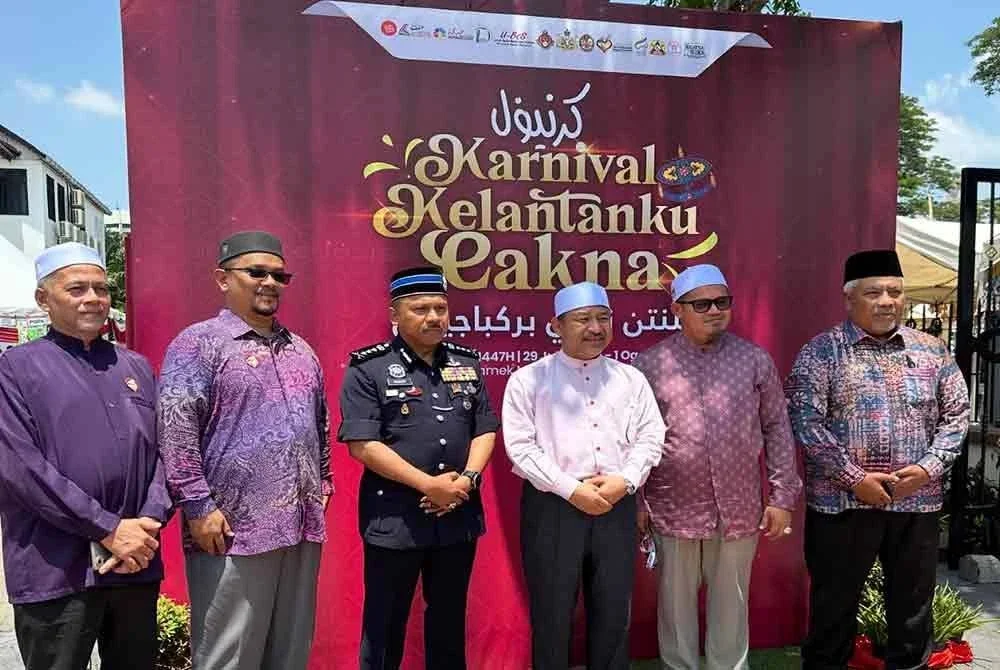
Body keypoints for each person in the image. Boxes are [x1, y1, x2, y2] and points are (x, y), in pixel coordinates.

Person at [786, 249, 970, 670]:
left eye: (895, 292)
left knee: (913, 612)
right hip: (842, 506)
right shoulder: (821, 353)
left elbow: (958, 415)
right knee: (833, 611)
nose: (887, 301)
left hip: (917, 503)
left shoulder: (933, 351)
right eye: (874, 293)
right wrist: (855, 479)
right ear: (849, 298)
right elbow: (805, 422)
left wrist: (926, 469)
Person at [157, 231, 331, 669]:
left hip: (300, 527)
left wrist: (323, 485)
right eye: (256, 272)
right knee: (229, 656)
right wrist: (197, 506)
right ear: (223, 278)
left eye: (279, 275)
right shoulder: (198, 344)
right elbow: (176, 429)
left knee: (289, 653)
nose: (269, 282)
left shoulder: (300, 350)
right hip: (232, 529)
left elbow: (320, 424)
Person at [0, 242, 170, 670]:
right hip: (56, 567)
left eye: (101, 288)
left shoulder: (135, 367)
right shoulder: (15, 369)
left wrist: (148, 522)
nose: (93, 298)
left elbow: (167, 452)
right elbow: (21, 468)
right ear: (43, 299)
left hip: (134, 562)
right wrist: (108, 528)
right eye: (77, 289)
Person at [632, 264, 801, 670]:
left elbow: (777, 427)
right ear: (677, 309)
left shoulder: (754, 360)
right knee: (675, 607)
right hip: (672, 507)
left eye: (722, 302)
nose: (714, 310)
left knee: (731, 605)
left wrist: (782, 497)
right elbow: (633, 439)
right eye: (702, 304)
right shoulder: (649, 365)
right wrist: (638, 500)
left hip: (738, 507)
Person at [337, 265, 498, 670]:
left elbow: (485, 429)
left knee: (448, 620)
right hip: (396, 518)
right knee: (385, 623)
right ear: (395, 314)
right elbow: (362, 444)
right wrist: (429, 485)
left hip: (457, 512)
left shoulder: (466, 362)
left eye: (440, 308)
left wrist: (467, 480)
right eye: (420, 309)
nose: (433, 317)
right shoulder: (368, 368)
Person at [502, 281, 665, 670]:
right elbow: (520, 447)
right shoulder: (528, 380)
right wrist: (572, 490)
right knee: (552, 611)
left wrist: (625, 480)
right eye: (582, 319)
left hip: (616, 504)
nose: (595, 328)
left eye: (603, 318)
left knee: (613, 611)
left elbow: (651, 435)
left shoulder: (630, 379)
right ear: (556, 326)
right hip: (553, 508)